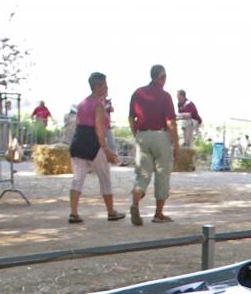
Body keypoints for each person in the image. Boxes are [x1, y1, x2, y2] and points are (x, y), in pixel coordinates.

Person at [128, 64, 180, 224]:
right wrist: (176, 144)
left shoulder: (137, 93)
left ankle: (135, 202)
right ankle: (158, 213)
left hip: (143, 135)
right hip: (160, 136)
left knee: (142, 175)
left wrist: (136, 134)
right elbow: (170, 122)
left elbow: (131, 118)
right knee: (162, 174)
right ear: (162, 77)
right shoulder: (165, 96)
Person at [67, 72, 122, 223]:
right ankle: (111, 211)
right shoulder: (98, 105)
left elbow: (78, 123)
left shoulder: (82, 103)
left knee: (77, 179)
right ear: (98, 86)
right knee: (105, 178)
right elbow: (99, 128)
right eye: (105, 85)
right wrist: (105, 148)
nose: (107, 88)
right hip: (93, 142)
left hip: (78, 141)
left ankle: (73, 212)